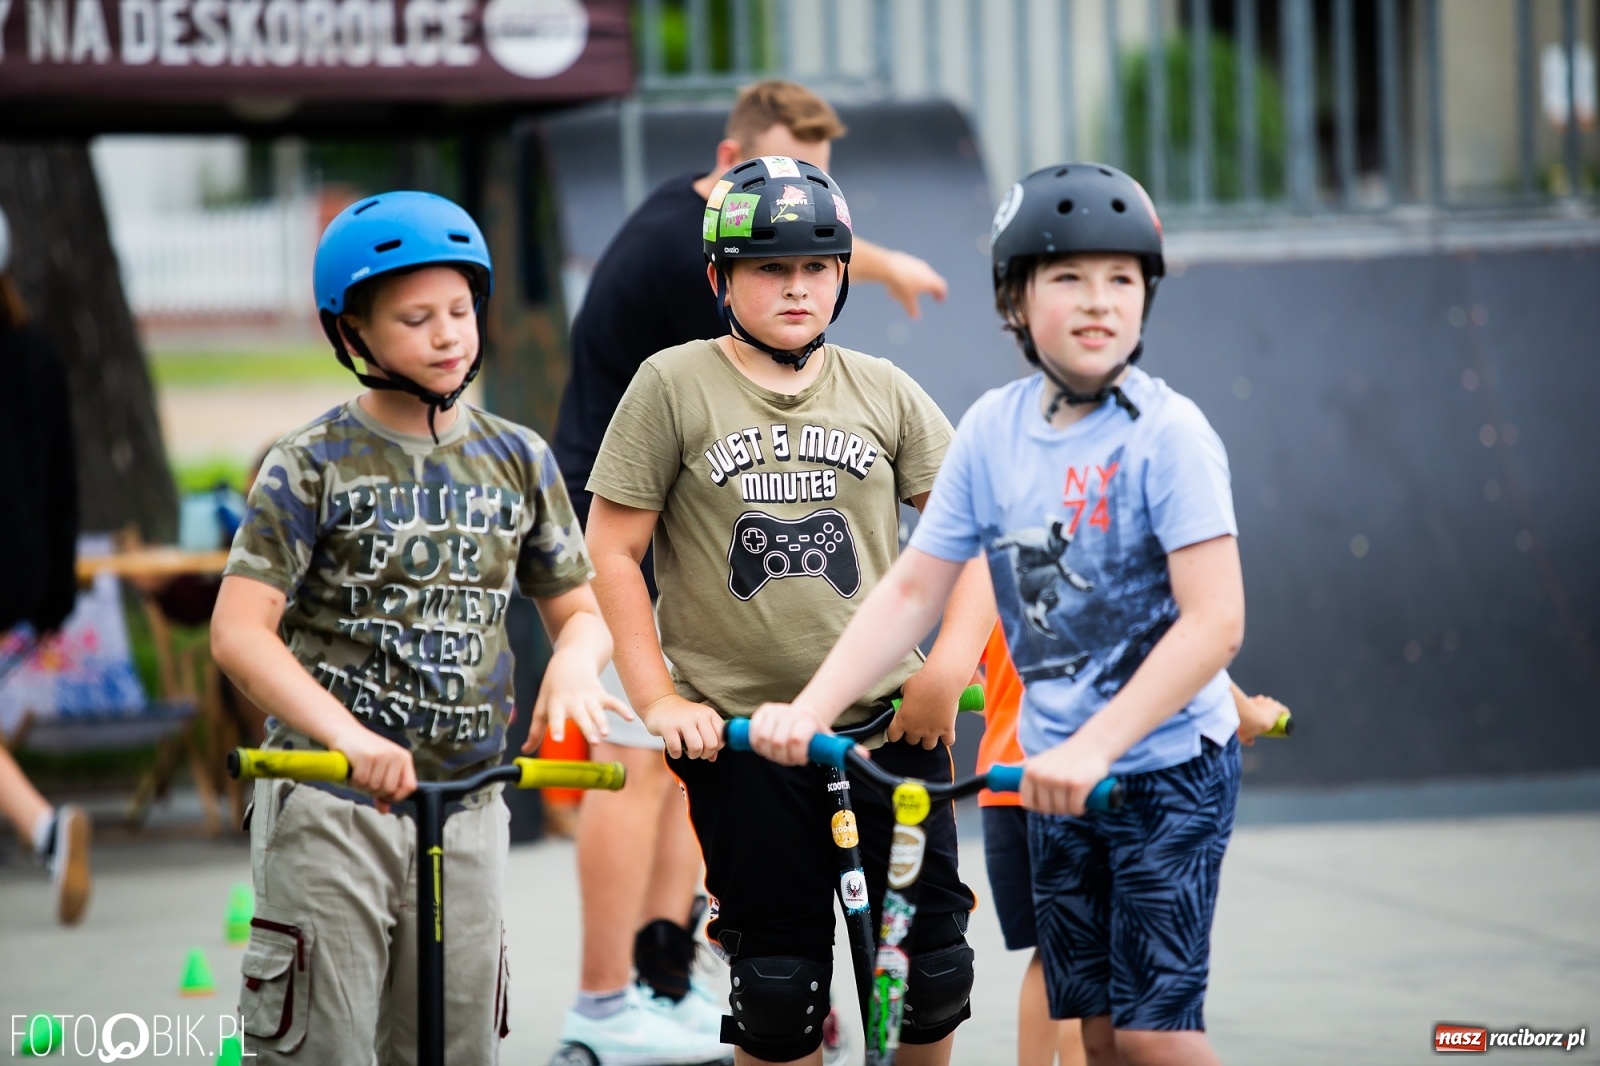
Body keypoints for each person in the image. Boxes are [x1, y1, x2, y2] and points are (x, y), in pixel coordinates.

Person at [751, 163, 1247, 1066]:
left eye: (1121, 279)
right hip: (1053, 770)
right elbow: (912, 588)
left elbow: (1214, 624)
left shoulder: (1168, 436)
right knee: (1091, 1023)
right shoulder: (992, 429)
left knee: (1150, 1034)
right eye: (1067, 278)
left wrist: (1099, 746)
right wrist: (813, 706)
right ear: (1015, 300)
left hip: (1166, 770)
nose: (1098, 300)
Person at [551, 79, 950, 1061]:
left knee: (927, 977)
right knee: (776, 991)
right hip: (744, 737)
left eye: (819, 265)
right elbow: (613, 547)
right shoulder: (674, 380)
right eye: (770, 268)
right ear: (722, 275)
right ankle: (618, 996)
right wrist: (655, 695)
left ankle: (657, 974)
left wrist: (945, 665)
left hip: (882, 732)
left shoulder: (884, 389)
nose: (799, 285)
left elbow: (961, 534)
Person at [210, 191, 624, 1063]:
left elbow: (580, 611)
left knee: (456, 1044)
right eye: (415, 318)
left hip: (470, 806)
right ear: (353, 333)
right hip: (331, 805)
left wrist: (580, 663)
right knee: (325, 1045)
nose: (447, 335)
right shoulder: (310, 462)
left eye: (460, 310)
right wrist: (348, 737)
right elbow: (240, 634)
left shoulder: (519, 457)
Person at [976, 620, 1286, 1066]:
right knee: (1091, 982)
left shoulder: (984, 576)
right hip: (1065, 780)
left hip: (1009, 782)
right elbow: (1173, 637)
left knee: (1057, 963)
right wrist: (1249, 712)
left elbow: (962, 674)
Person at [0, 200, 92, 927]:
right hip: (25, 570)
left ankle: (46, 829)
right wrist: (57, 585)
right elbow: (64, 478)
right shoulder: (36, 354)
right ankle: (45, 830)